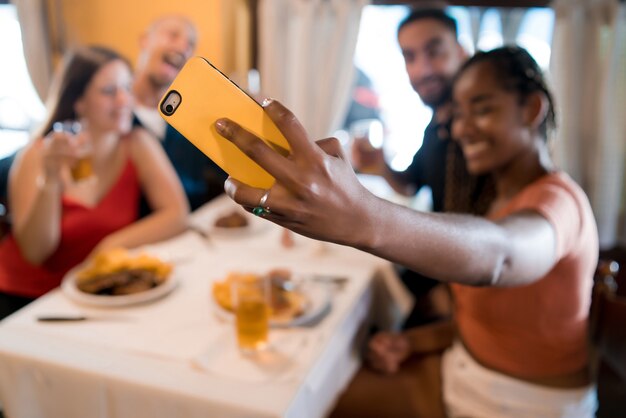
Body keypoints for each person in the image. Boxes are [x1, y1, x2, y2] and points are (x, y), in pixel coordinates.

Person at [216, 46, 599, 417]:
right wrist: (412, 341)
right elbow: (499, 321)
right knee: (300, 393)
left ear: (531, 109)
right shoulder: (497, 197)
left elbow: (502, 255)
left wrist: (363, 215)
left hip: (525, 402)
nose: (463, 128)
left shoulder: (560, 203)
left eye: (482, 109)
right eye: (459, 114)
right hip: (465, 369)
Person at [0, 46, 189, 320]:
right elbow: (35, 252)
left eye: (127, 87)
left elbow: (176, 214)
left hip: (98, 296)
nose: (125, 99)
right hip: (31, 301)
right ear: (78, 101)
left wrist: (111, 245)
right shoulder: (39, 155)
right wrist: (51, 178)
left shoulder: (136, 144)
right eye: (109, 91)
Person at [354, 8, 494, 328]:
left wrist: (445, 299)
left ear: (462, 50)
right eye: (410, 57)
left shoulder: (482, 132)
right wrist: (381, 165)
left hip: (471, 289)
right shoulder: (437, 122)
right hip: (440, 268)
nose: (423, 69)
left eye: (435, 51)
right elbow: (412, 184)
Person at [132, 15, 227, 211]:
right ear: (144, 40)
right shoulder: (115, 115)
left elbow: (229, 169)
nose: (183, 47)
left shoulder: (194, 117)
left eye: (190, 44)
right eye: (173, 35)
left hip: (195, 230)